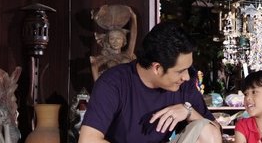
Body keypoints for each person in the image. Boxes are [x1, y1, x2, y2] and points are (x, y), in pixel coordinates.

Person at [79, 22, 221, 143]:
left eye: (187, 69)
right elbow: (88, 140)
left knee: (207, 131)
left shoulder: (184, 84)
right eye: (180, 71)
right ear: (157, 68)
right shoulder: (113, 83)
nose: (186, 77)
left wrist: (189, 112)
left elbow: (215, 134)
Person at [90, 10, 137, 81]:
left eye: (118, 38)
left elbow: (133, 35)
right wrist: (98, 86)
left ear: (123, 41)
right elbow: (94, 66)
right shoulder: (105, 57)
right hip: (114, 87)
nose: (115, 42)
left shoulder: (128, 53)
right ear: (108, 41)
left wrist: (133, 17)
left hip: (129, 86)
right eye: (112, 38)